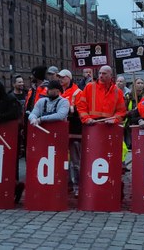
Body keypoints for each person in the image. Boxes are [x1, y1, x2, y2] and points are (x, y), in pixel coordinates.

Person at [59, 69, 83, 197]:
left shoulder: (77, 92)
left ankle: (77, 186)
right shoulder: (59, 91)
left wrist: (73, 110)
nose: (60, 79)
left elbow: (82, 109)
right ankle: (66, 184)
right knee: (62, 160)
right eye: (59, 77)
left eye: (62, 77)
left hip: (74, 131)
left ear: (69, 78)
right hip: (61, 131)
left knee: (75, 161)